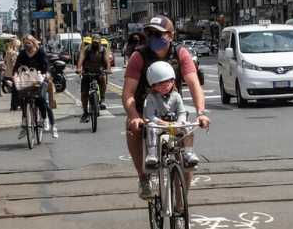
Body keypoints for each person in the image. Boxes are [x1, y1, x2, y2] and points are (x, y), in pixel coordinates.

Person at [124, 16, 211, 200]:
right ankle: (143, 178)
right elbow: (128, 92)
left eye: (158, 33)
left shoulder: (181, 53)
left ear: (171, 35)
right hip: (145, 110)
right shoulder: (138, 56)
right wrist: (133, 116)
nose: (153, 37)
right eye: (150, 33)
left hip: (172, 110)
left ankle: (180, 203)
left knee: (186, 145)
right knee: (133, 129)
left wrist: (201, 113)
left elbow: (194, 84)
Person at [142, 61, 201, 170]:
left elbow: (182, 112)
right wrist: (163, 123)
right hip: (159, 127)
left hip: (174, 125)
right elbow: (150, 116)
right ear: (153, 85)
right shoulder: (151, 98)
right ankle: (152, 154)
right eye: (159, 84)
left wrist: (179, 123)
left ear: (173, 81)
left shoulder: (176, 96)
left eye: (167, 82)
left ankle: (188, 153)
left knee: (187, 126)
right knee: (151, 127)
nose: (164, 86)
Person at [12, 35, 57, 139]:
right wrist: (14, 76)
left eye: (29, 43)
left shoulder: (40, 52)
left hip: (41, 78)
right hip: (27, 79)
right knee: (21, 96)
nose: (27, 45)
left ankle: (47, 120)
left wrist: (45, 75)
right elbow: (16, 67)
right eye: (25, 43)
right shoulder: (22, 53)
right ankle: (25, 123)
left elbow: (46, 66)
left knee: (42, 99)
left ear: (33, 42)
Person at [79, 32, 112, 123]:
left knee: (103, 79)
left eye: (97, 42)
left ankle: (102, 99)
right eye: (94, 42)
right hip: (87, 72)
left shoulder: (103, 50)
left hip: (99, 72)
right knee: (84, 93)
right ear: (92, 42)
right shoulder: (86, 49)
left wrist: (108, 69)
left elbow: (107, 61)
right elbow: (81, 58)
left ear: (100, 42)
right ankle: (85, 112)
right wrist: (79, 68)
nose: (95, 44)